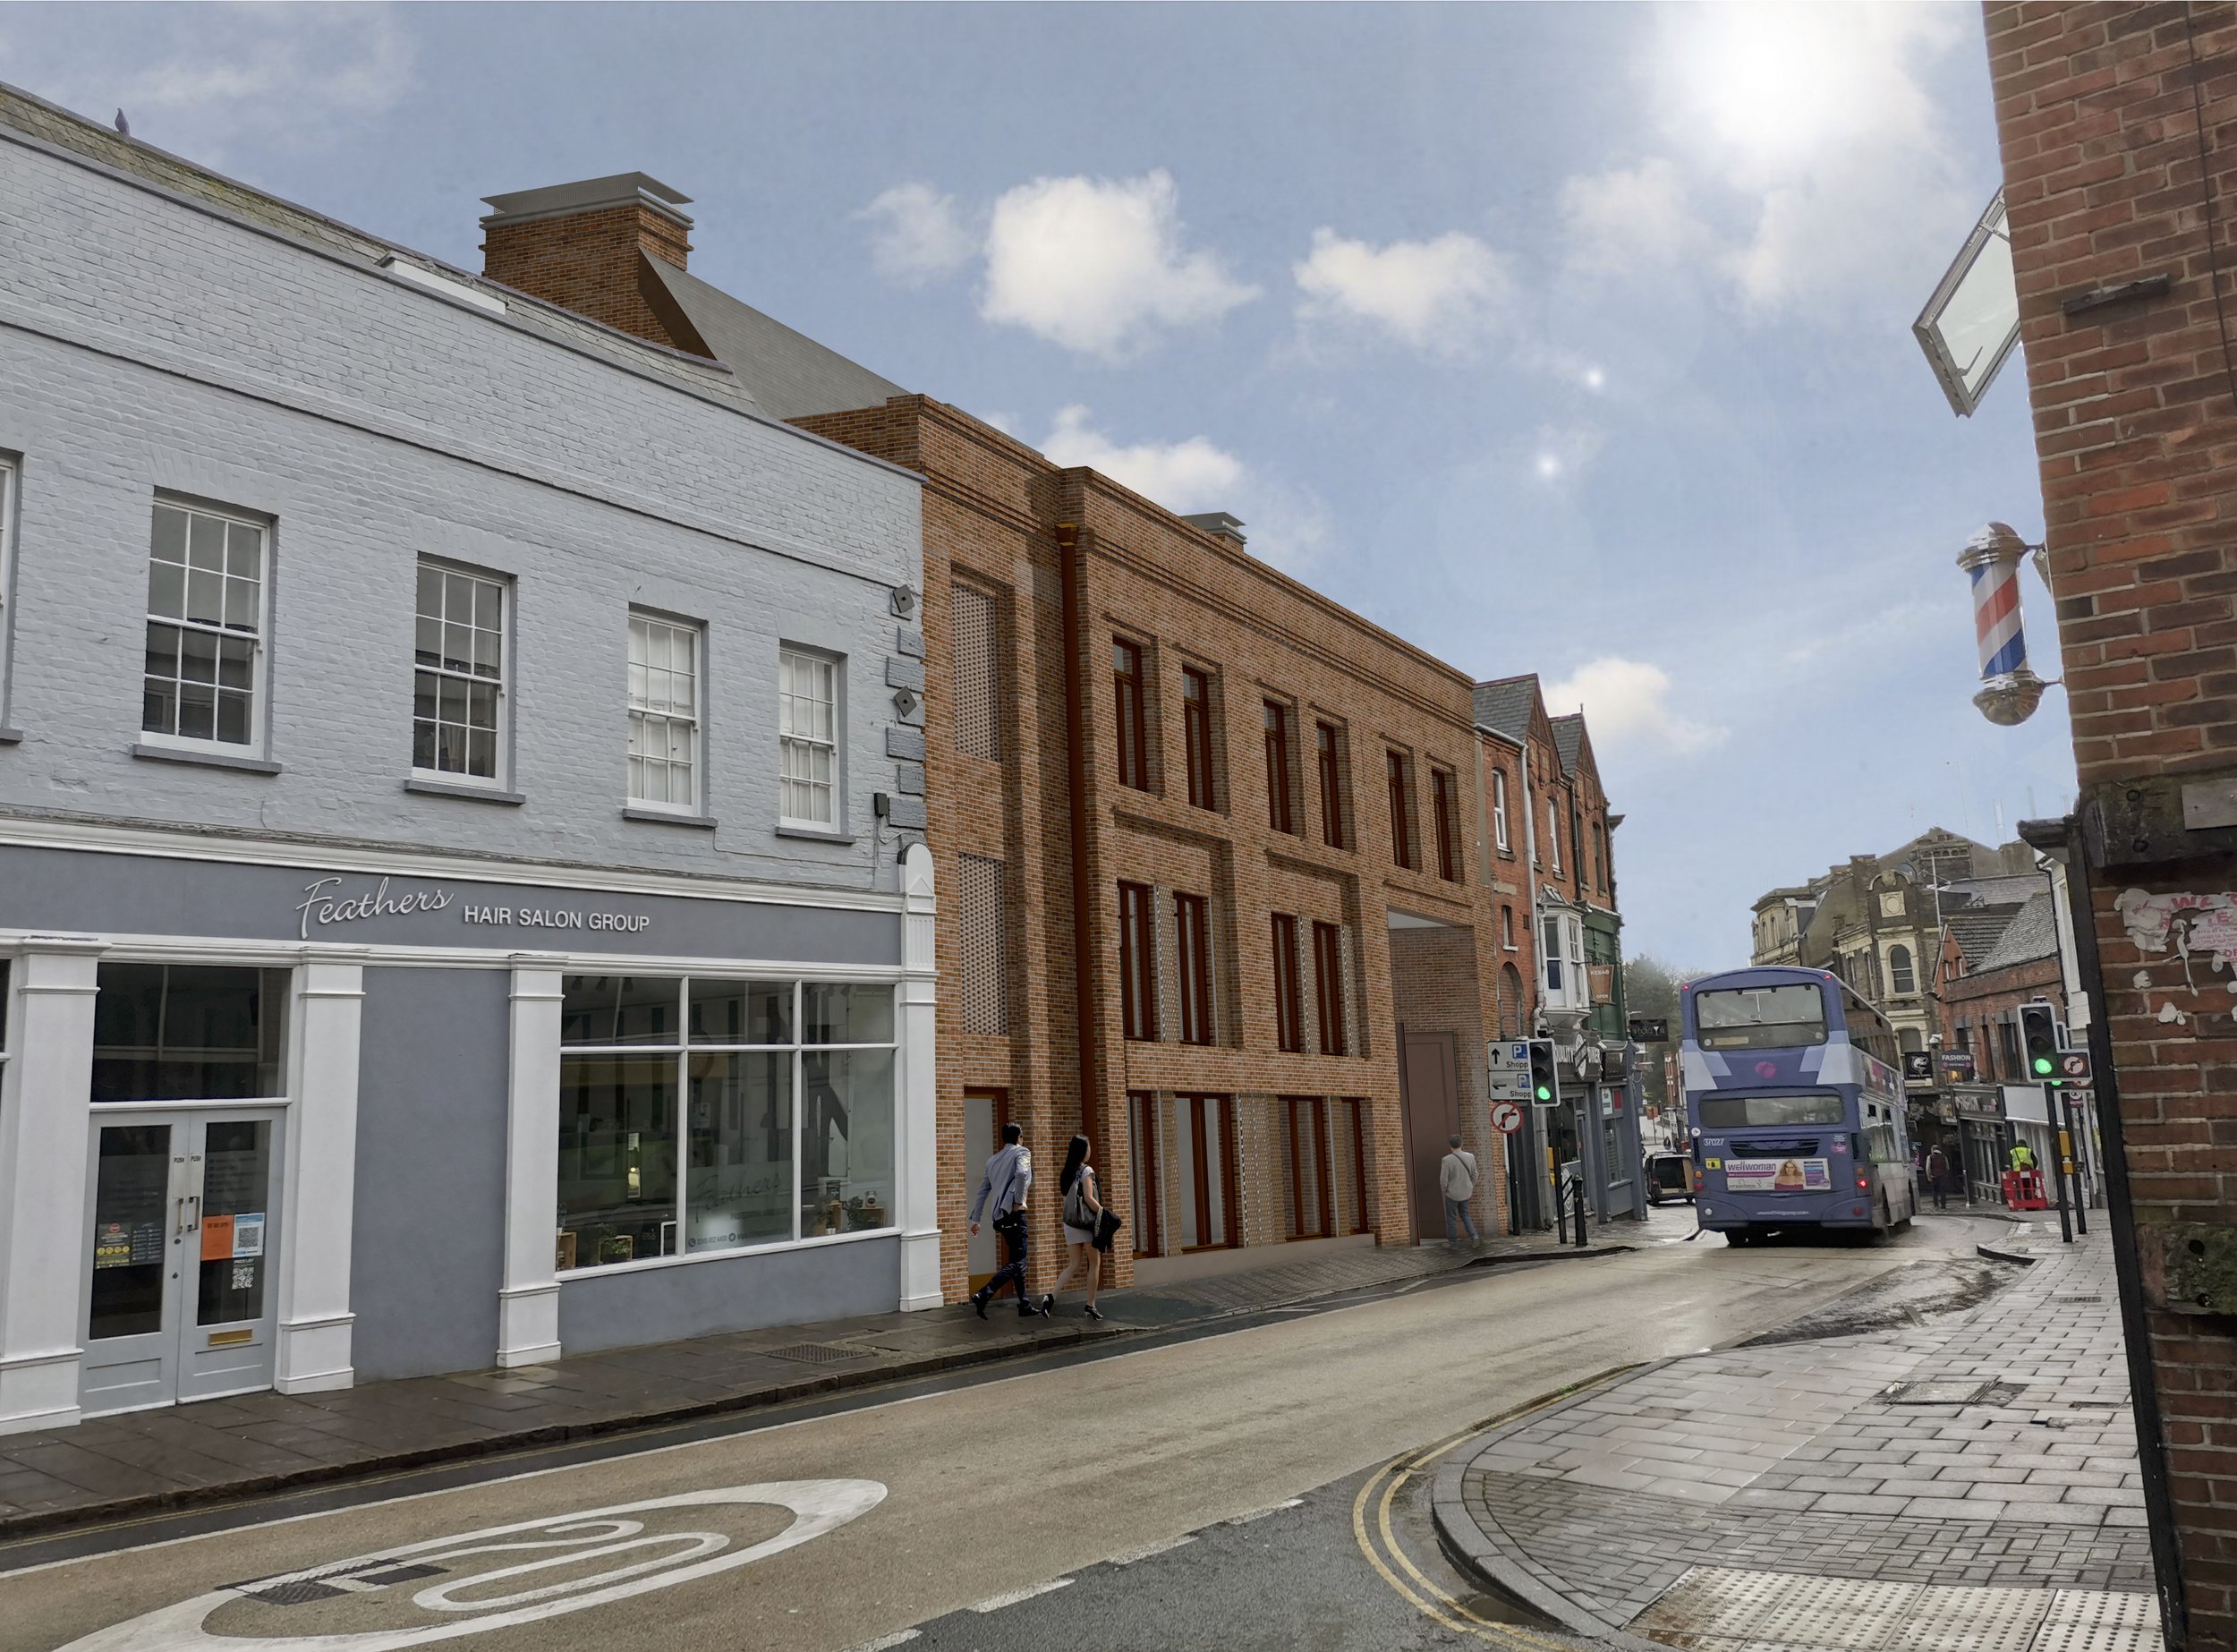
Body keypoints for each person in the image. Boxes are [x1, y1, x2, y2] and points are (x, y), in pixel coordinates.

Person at [968, 1121, 1047, 1319]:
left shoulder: (992, 1160)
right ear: (1019, 1137)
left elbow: (982, 1191)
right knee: (1019, 1263)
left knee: (1016, 1260)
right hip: (1014, 1213)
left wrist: (976, 1220)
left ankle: (1025, 1304)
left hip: (1000, 1217)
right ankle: (984, 1293)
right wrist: (1018, 1201)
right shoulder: (1023, 1152)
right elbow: (1021, 1173)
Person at [1042, 1134, 1106, 1320]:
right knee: (1094, 1263)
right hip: (1085, 1223)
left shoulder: (1065, 1172)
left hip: (1070, 1223)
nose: (1090, 1150)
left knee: (1074, 1264)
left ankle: (1050, 1297)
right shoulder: (1086, 1171)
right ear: (1083, 1151)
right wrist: (1104, 1212)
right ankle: (1090, 1305)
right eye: (1088, 1147)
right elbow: (1088, 1198)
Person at [1439, 1134, 1480, 1250]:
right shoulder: (1470, 1157)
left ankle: (1453, 1243)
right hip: (1466, 1192)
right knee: (1465, 1215)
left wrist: (1445, 1188)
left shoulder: (1447, 1160)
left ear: (1450, 1146)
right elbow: (1475, 1174)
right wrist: (1470, 1185)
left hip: (1452, 1193)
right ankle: (1474, 1235)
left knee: (1451, 1218)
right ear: (1462, 1144)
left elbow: (1443, 1178)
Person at [1925, 1144, 1952, 1212]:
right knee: (1943, 1191)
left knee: (1935, 1191)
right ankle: (1943, 1206)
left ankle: (1936, 1206)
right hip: (1943, 1176)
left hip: (1934, 1176)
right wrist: (1945, 1173)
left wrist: (1929, 1176)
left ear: (1932, 1150)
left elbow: (1928, 1168)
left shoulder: (1930, 1157)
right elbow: (1947, 1167)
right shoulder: (1944, 1156)